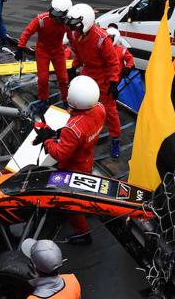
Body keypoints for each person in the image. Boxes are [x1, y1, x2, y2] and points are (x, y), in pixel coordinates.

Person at [33, 76, 105, 245]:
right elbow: (83, 131)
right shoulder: (100, 108)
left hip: (72, 167)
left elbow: (60, 154)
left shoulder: (72, 129)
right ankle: (85, 208)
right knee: (83, 190)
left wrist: (47, 140)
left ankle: (82, 233)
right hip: (87, 158)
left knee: (69, 202)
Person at [65, 4, 121, 159]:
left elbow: (113, 63)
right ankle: (79, 134)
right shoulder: (76, 35)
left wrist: (113, 82)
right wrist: (73, 67)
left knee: (110, 110)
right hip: (88, 72)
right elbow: (79, 54)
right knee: (80, 105)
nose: (74, 29)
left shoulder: (102, 39)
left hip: (103, 76)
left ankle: (115, 139)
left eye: (76, 25)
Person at [17, 0, 72, 112]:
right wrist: (20, 47)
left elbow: (73, 38)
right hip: (43, 51)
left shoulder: (67, 24)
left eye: (58, 17)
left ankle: (66, 100)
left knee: (63, 78)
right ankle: (43, 100)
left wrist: (79, 56)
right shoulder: (41, 20)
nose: (54, 18)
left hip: (58, 51)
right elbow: (27, 32)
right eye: (53, 14)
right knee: (43, 78)